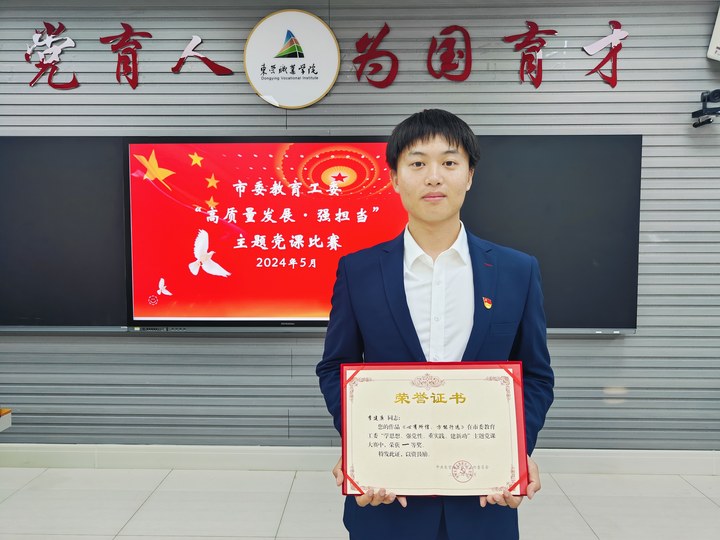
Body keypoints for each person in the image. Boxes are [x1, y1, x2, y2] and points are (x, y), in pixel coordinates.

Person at [316, 109, 554, 540]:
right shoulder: (358, 271)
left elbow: (535, 375)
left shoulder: (517, 270)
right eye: (417, 163)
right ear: (394, 178)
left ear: (470, 176)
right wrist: (362, 447)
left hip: (484, 499)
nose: (433, 177)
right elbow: (335, 367)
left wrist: (515, 451)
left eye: (449, 162)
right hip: (386, 498)